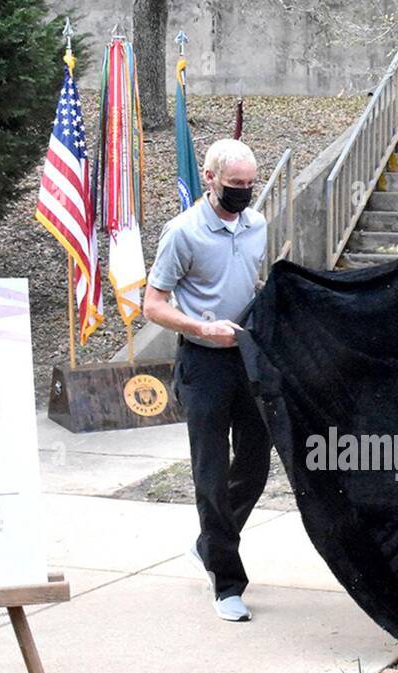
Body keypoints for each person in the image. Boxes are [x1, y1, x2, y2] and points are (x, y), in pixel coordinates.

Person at [143, 138, 269, 623]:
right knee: (211, 473)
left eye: (249, 185)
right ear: (210, 178)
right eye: (235, 184)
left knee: (255, 466)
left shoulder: (256, 225)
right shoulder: (183, 232)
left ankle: (210, 542)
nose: (243, 192)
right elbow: (153, 304)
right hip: (203, 364)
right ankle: (227, 583)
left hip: (247, 360)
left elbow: (248, 281)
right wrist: (201, 326)